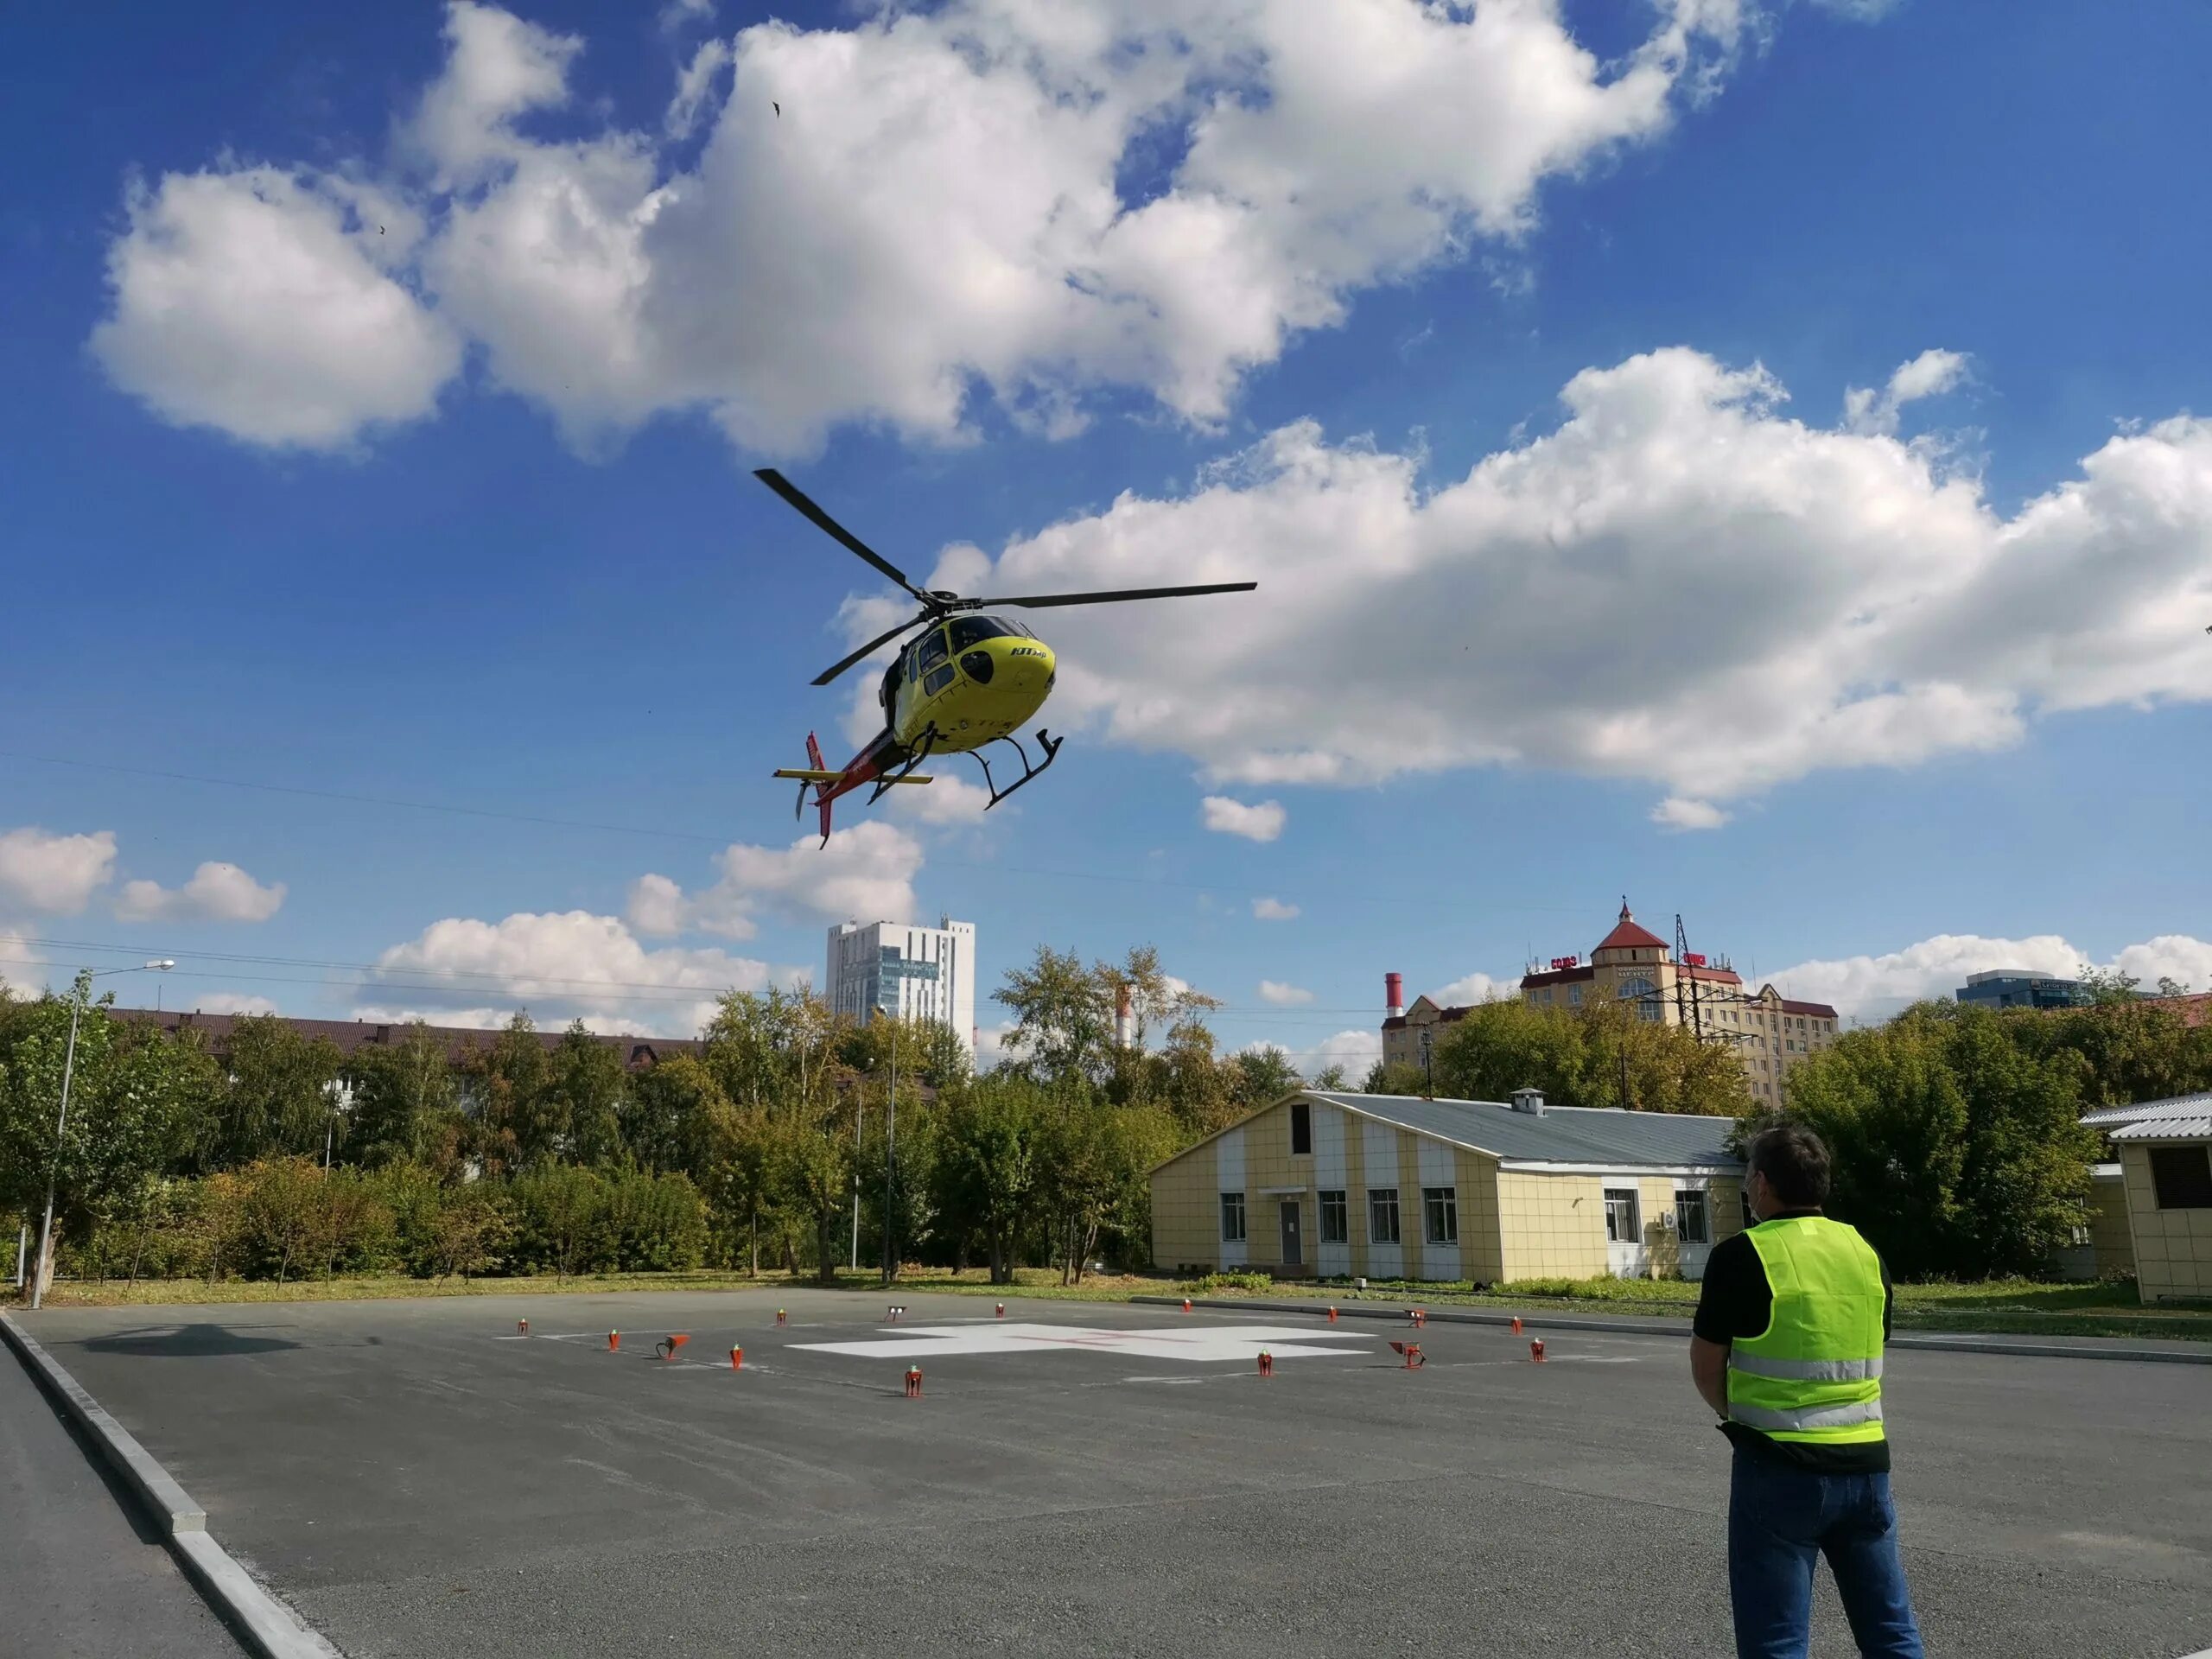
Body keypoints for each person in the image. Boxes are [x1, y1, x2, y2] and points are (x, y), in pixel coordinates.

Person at [1690, 1122, 1925, 1659]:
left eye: (1749, 1177)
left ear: (1765, 1184)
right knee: (1891, 1631)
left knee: (1776, 1639)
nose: (1748, 1188)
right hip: (1866, 1468)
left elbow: (1707, 1366)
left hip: (1778, 1467)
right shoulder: (1864, 1250)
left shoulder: (1741, 1255)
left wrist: (1740, 1411)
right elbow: (1876, 1338)